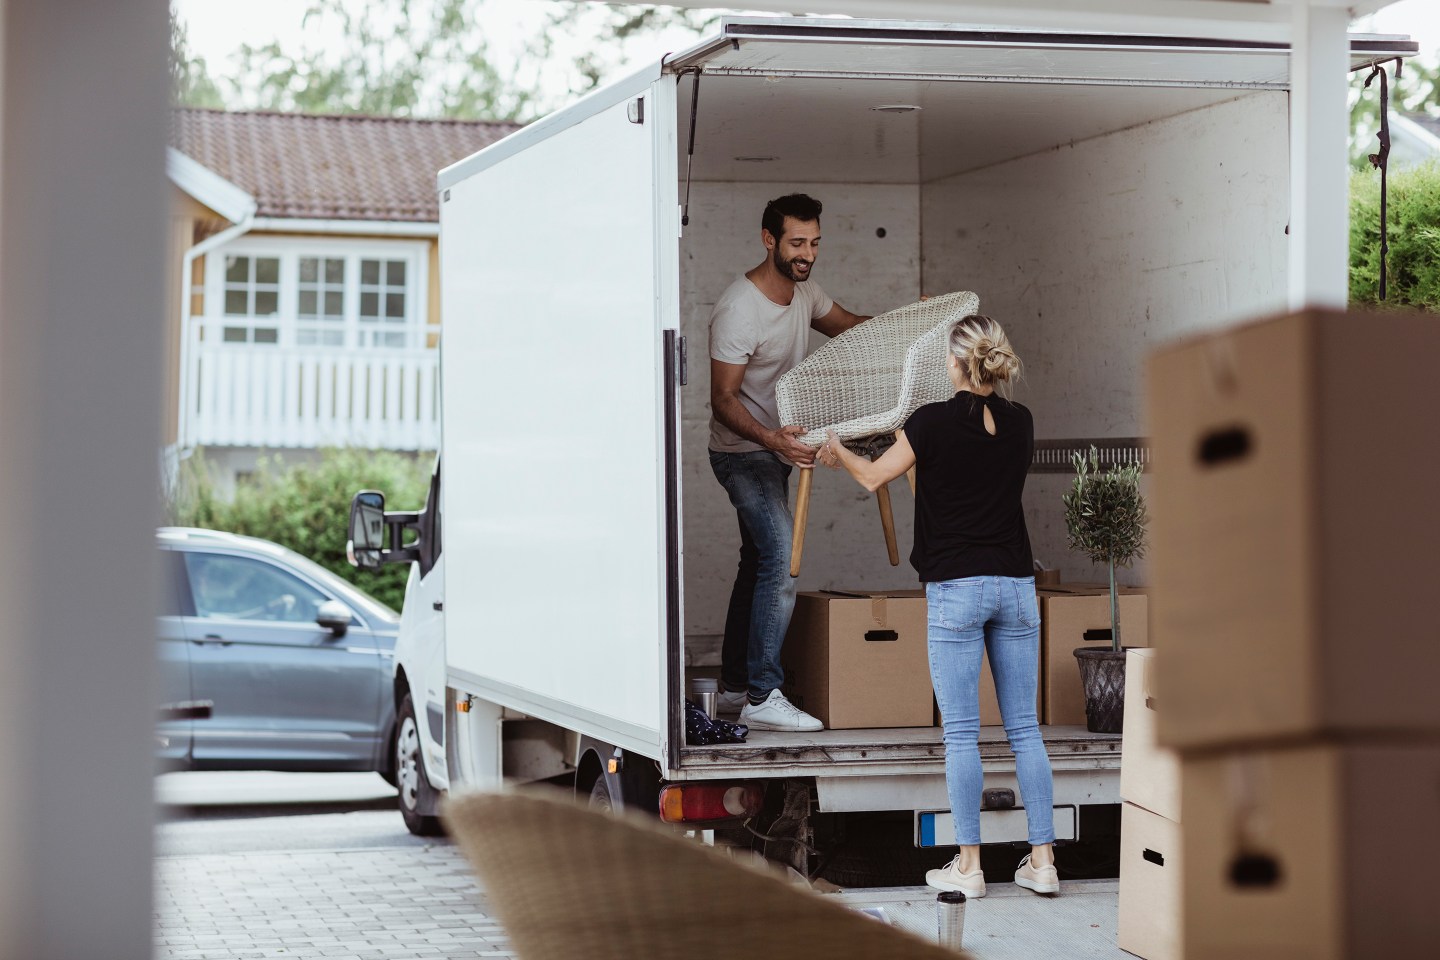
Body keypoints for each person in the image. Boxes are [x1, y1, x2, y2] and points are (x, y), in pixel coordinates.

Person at [816, 314, 1059, 897]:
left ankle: (970, 867)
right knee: (1025, 729)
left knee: (962, 735)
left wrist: (838, 450)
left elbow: (874, 477)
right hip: (1015, 586)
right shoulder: (1022, 421)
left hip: (957, 588)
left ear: (954, 363)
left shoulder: (928, 423)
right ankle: (1043, 861)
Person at [708, 193, 871, 732]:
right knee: (780, 553)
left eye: (815, 243)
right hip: (741, 453)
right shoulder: (739, 309)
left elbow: (851, 325)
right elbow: (723, 401)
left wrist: (911, 325)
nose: (808, 254)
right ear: (768, 240)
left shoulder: (805, 291)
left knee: (756, 560)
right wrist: (774, 441)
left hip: (776, 448)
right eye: (797, 243)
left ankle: (735, 687)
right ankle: (763, 694)